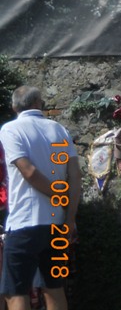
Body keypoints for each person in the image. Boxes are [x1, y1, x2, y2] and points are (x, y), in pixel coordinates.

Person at [0, 86, 81, 310]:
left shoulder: (10, 130)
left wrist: (58, 194)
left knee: (15, 292)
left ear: (14, 106)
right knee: (54, 289)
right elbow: (75, 176)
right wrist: (70, 218)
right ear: (39, 103)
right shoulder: (59, 130)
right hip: (56, 225)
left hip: (24, 224)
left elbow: (29, 172)